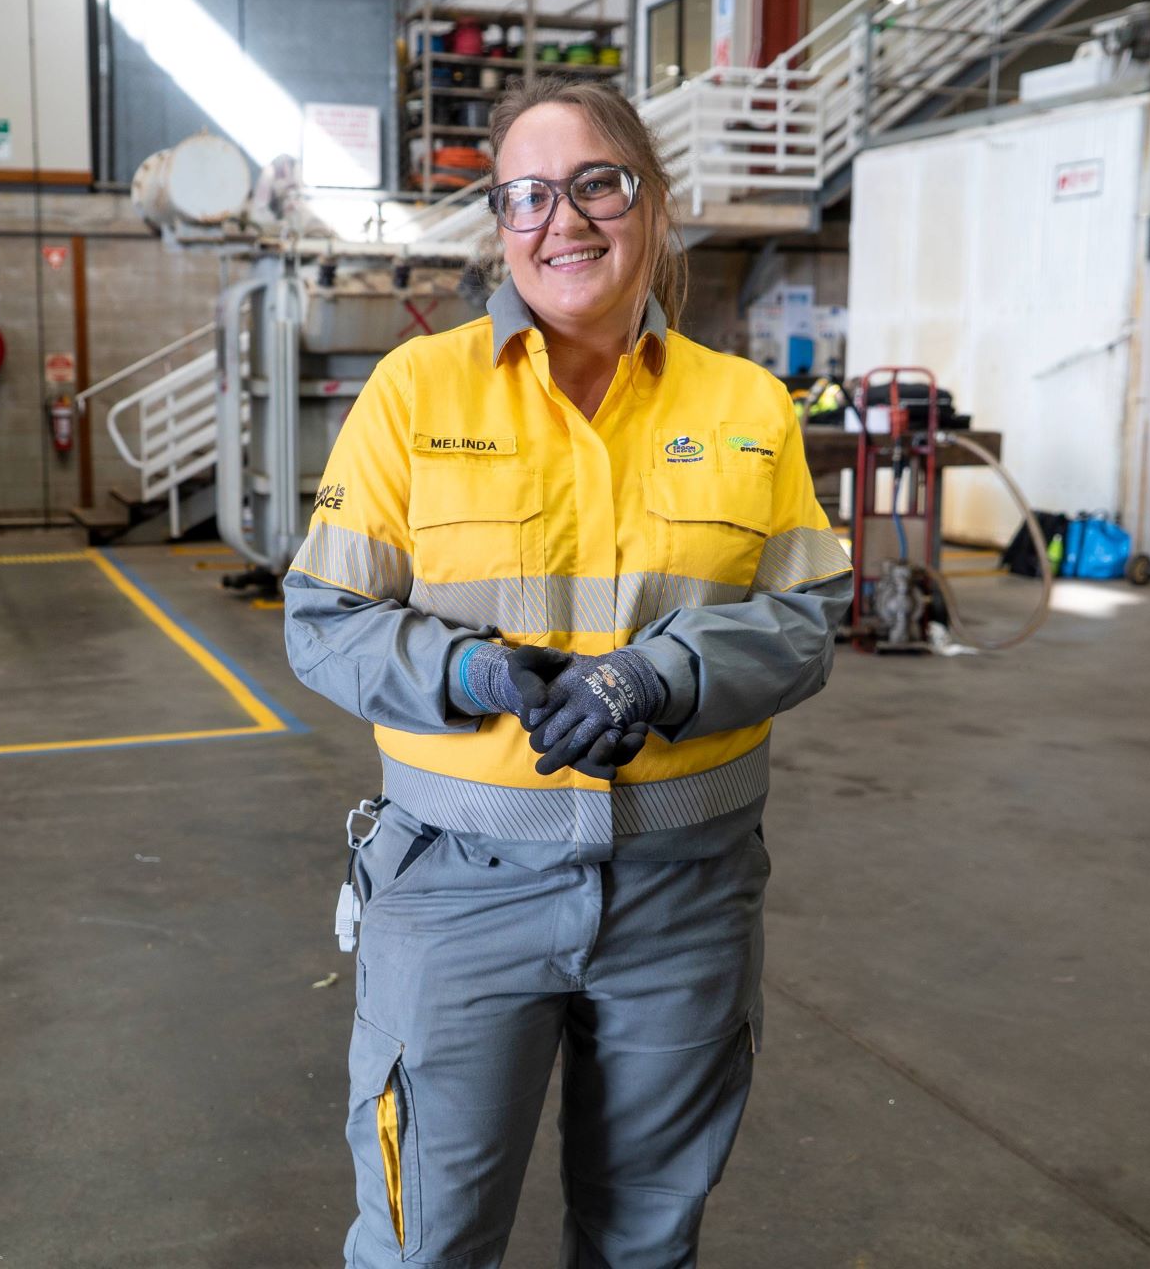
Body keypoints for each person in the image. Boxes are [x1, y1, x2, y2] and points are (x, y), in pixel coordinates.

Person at [283, 75, 853, 1268]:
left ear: (648, 202)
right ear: (499, 222)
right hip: (455, 891)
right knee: (423, 1242)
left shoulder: (746, 408)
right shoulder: (414, 393)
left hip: (684, 899)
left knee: (644, 1242)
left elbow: (808, 616)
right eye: (526, 195)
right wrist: (470, 674)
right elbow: (322, 618)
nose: (563, 220)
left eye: (596, 183)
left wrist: (660, 678)